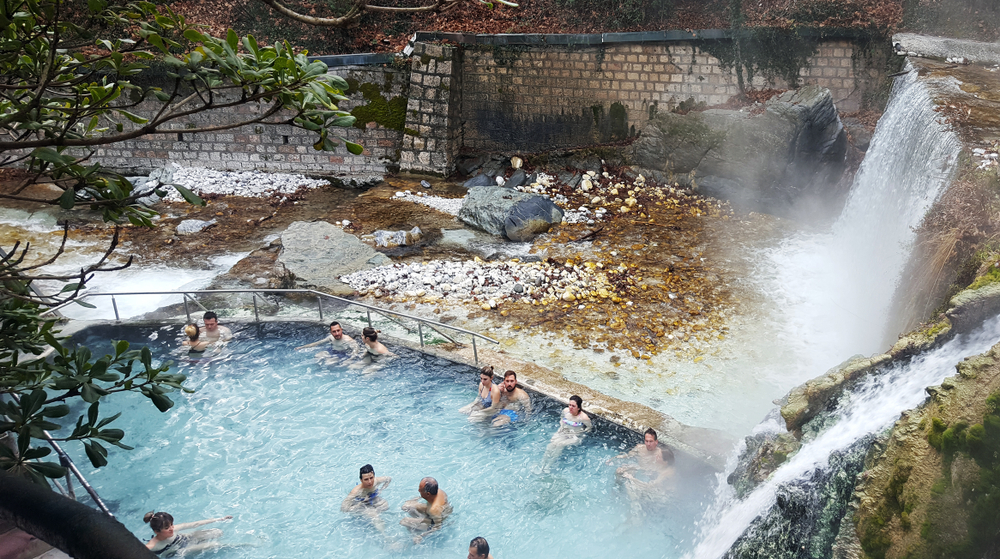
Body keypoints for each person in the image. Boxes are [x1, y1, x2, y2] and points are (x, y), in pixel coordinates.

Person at [539, 395, 593, 471]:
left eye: (573, 406)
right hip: (564, 432)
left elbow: (589, 428)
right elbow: (561, 419)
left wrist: (579, 433)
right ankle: (542, 464)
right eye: (569, 405)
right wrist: (561, 428)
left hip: (575, 436)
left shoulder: (583, 418)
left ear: (578, 407)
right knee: (550, 445)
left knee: (560, 445)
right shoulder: (565, 411)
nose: (570, 407)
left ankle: (549, 465)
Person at [143, 510, 233, 556]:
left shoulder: (174, 529)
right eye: (167, 528)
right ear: (156, 531)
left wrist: (220, 519)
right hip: (178, 551)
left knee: (217, 532)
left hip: (185, 538)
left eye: (171, 525)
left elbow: (195, 524)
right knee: (214, 544)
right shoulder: (152, 546)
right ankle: (240, 545)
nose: (172, 529)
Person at [400, 477, 451, 543]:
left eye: (420, 490)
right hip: (433, 512)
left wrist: (422, 536)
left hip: (435, 521)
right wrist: (415, 499)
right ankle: (418, 523)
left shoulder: (434, 509)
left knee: (404, 521)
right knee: (406, 506)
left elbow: (438, 527)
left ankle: (415, 533)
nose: (418, 490)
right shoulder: (438, 491)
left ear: (428, 494)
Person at [341, 464, 392, 532]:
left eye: (371, 478)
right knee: (375, 516)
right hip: (361, 503)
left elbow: (388, 479)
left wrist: (381, 490)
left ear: (374, 476)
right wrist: (360, 504)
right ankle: (386, 536)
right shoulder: (356, 491)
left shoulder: (376, 481)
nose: (370, 482)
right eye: (366, 479)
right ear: (361, 480)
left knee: (385, 506)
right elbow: (344, 509)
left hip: (373, 497)